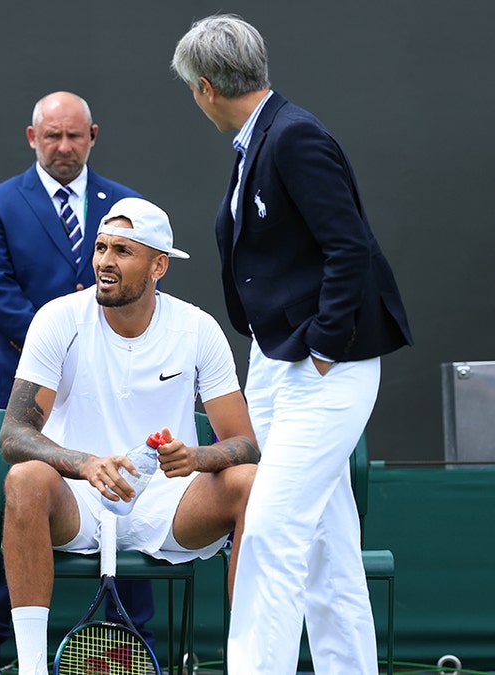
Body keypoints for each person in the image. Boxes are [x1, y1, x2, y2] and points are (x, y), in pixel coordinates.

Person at [171, 14, 413, 675]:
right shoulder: (262, 139)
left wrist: (326, 346)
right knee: (326, 546)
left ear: (206, 87)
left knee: (272, 534)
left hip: (322, 367)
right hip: (279, 363)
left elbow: (349, 246)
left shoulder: (295, 136)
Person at [0, 197, 258, 675]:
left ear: (159, 265)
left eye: (122, 250)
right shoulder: (58, 319)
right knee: (23, 480)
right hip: (77, 498)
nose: (104, 262)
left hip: (169, 502)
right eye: (100, 248)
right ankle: (31, 668)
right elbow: (14, 435)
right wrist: (85, 463)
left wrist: (196, 457)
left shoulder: (199, 328)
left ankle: (250, 663)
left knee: (251, 482)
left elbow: (244, 443)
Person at [0, 91, 151, 663]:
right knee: (4, 518)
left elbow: (140, 292)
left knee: (129, 508)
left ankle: (129, 645)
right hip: (22, 390)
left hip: (113, 393)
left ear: (94, 134)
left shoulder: (127, 206)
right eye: (52, 136)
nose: (63, 147)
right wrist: (65, 328)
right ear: (32, 137)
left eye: (74, 136)